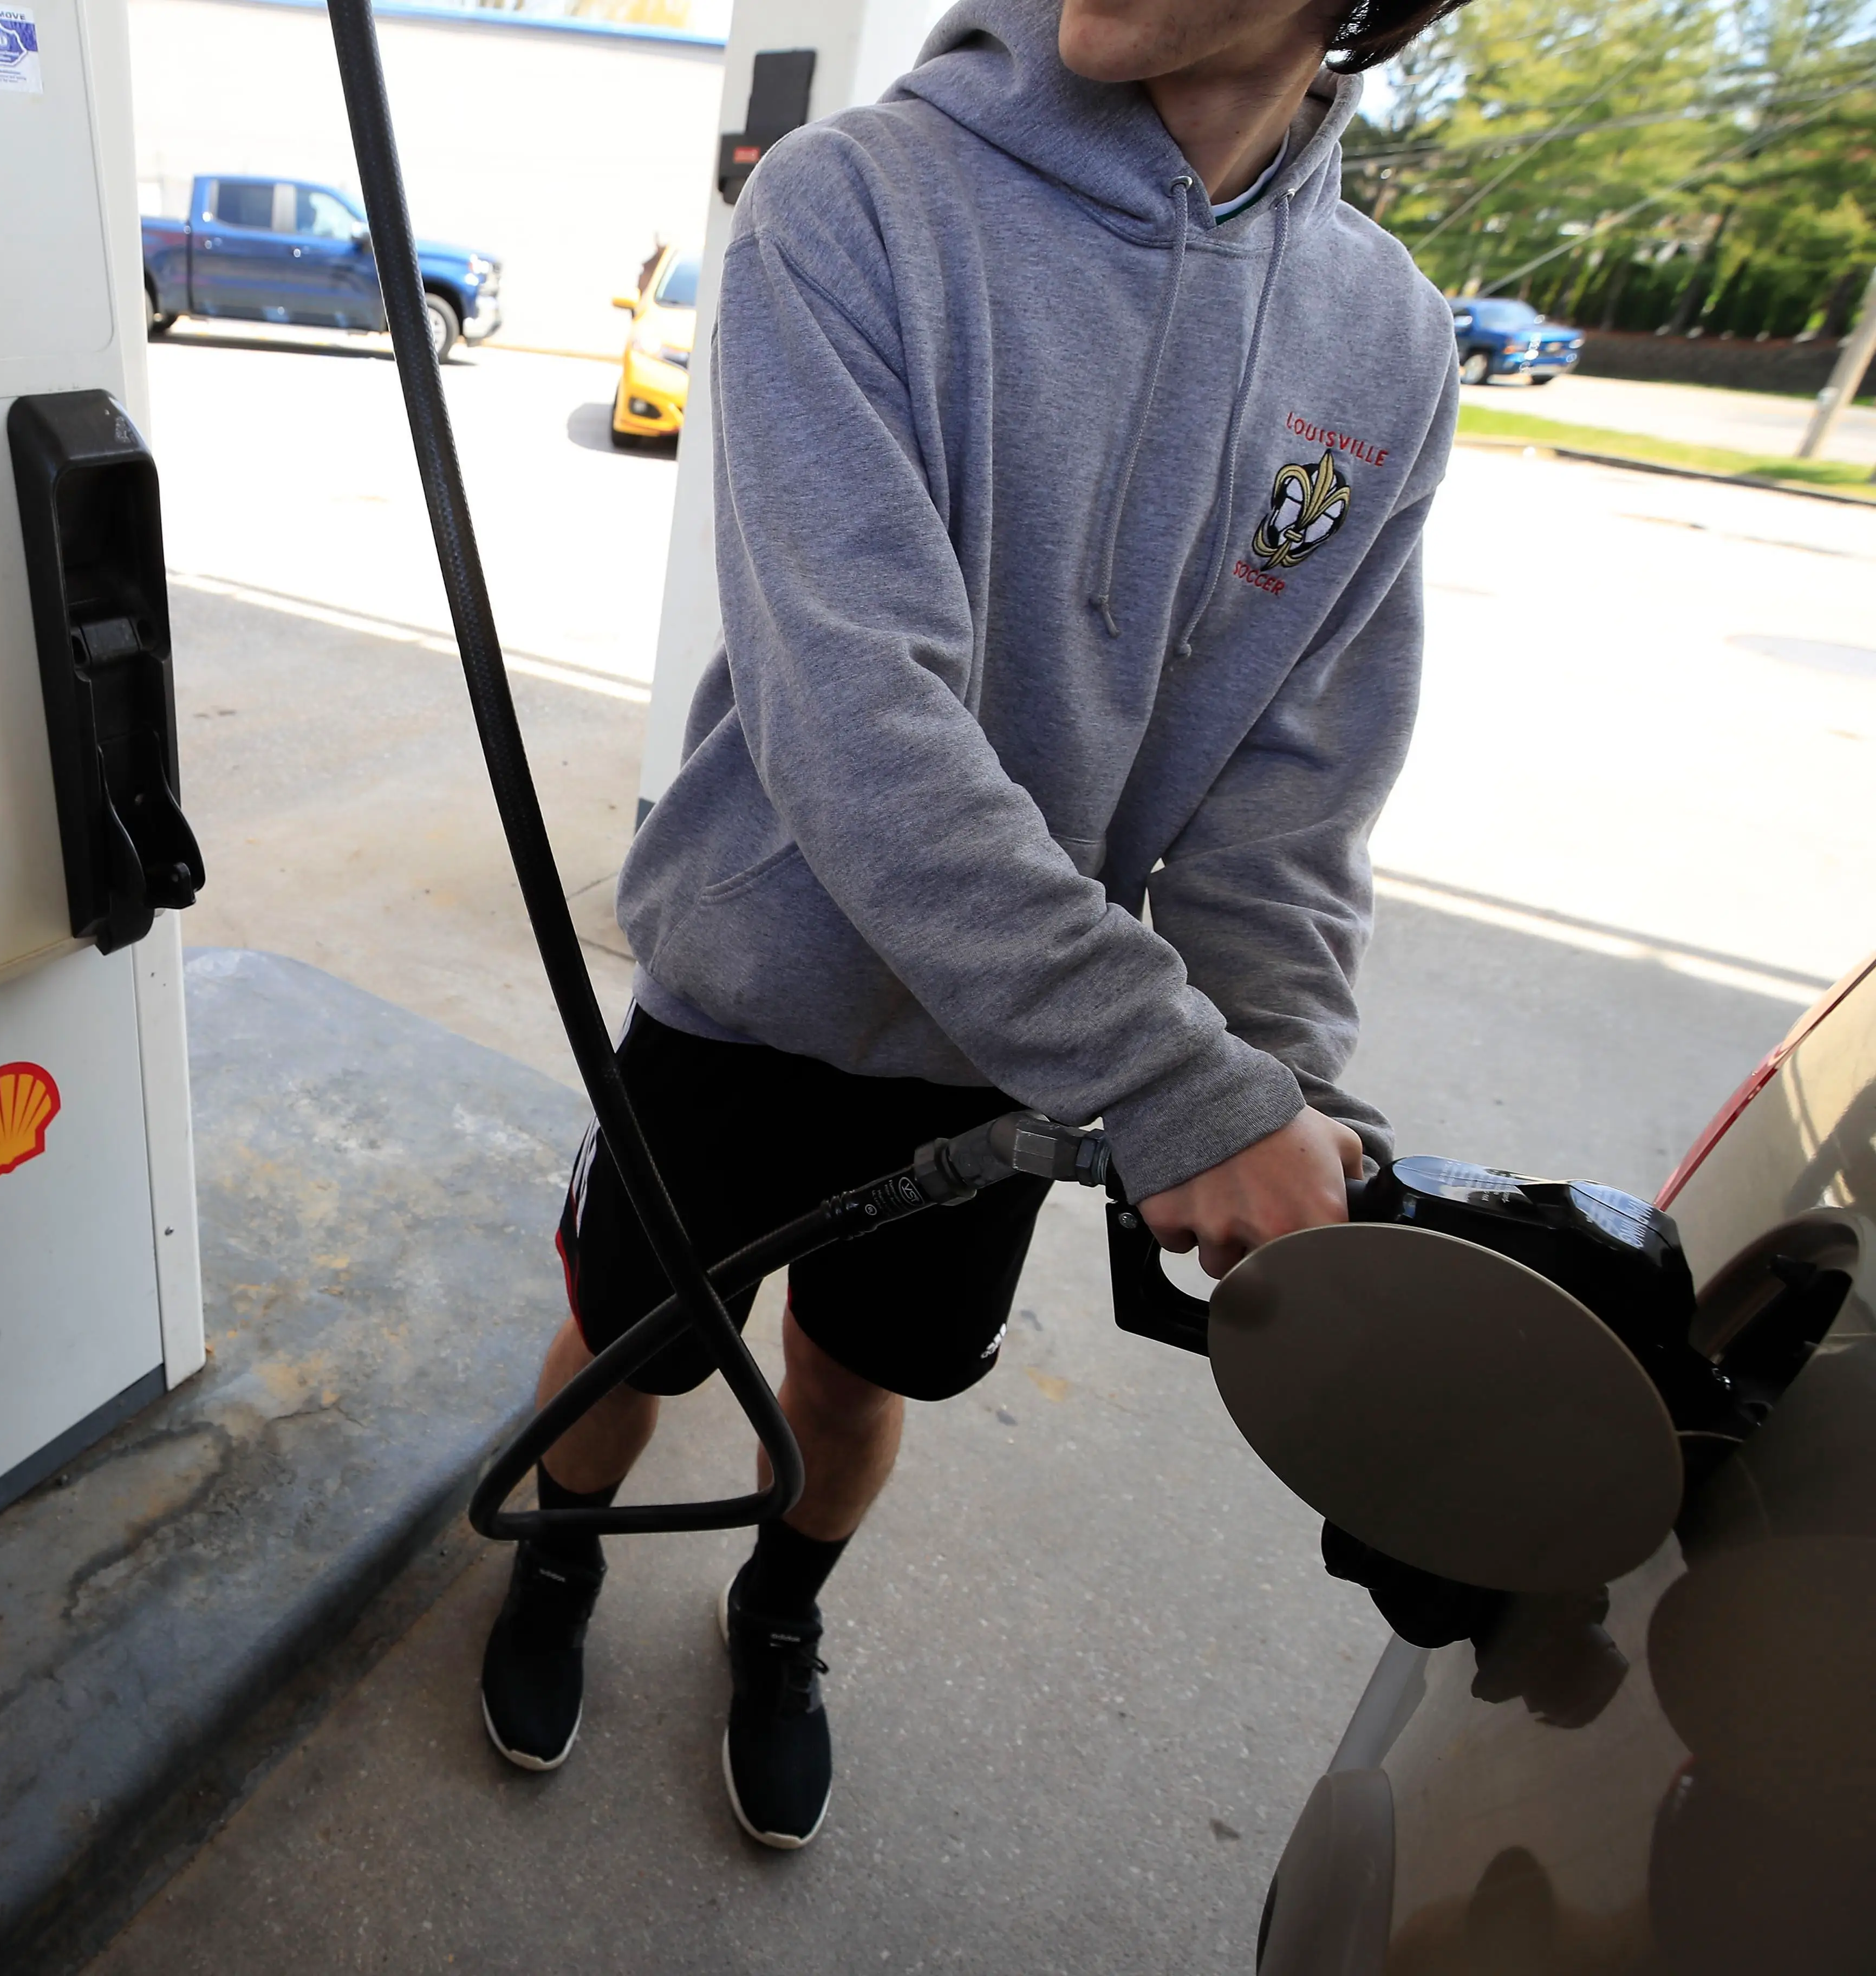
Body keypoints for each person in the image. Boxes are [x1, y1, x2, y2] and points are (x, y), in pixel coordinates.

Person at [479, 0, 1473, 1849]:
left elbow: (1290, 790)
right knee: (631, 1347)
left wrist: (1275, 1083)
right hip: (746, 1002)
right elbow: (855, 715)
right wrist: (1174, 1077)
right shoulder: (854, 202)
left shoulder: (1387, 341)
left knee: (855, 1388)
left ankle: (779, 1615)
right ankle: (557, 1561)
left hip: (1002, 1068)